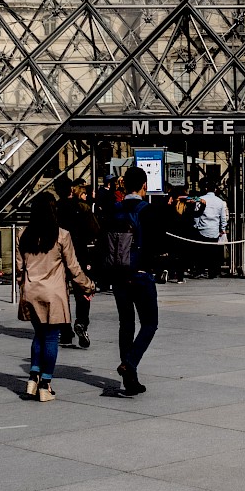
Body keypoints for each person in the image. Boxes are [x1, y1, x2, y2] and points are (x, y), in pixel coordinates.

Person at [17, 192, 95, 401]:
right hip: (53, 293)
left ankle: (32, 379)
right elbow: (73, 268)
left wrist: (23, 288)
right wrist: (88, 286)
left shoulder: (23, 234)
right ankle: (45, 384)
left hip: (31, 291)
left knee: (38, 335)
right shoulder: (62, 235)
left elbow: (18, 268)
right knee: (51, 337)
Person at [106, 166, 161, 395]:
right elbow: (156, 244)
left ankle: (131, 379)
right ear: (144, 186)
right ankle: (130, 363)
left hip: (118, 274)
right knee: (149, 323)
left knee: (126, 324)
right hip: (140, 274)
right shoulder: (147, 210)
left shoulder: (114, 209)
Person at [55, 177, 99, 348]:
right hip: (79, 253)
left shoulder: (55, 209)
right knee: (82, 288)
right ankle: (82, 322)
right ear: (71, 190)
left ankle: (65, 330)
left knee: (61, 292)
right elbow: (95, 230)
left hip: (59, 256)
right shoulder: (83, 208)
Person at [193, 179, 228, 278]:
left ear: (206, 188)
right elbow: (223, 217)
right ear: (215, 189)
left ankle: (200, 270)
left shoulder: (200, 199)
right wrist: (222, 228)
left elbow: (197, 215)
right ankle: (213, 272)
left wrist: (196, 226)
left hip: (202, 228)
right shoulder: (220, 201)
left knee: (201, 252)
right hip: (214, 230)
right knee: (213, 253)